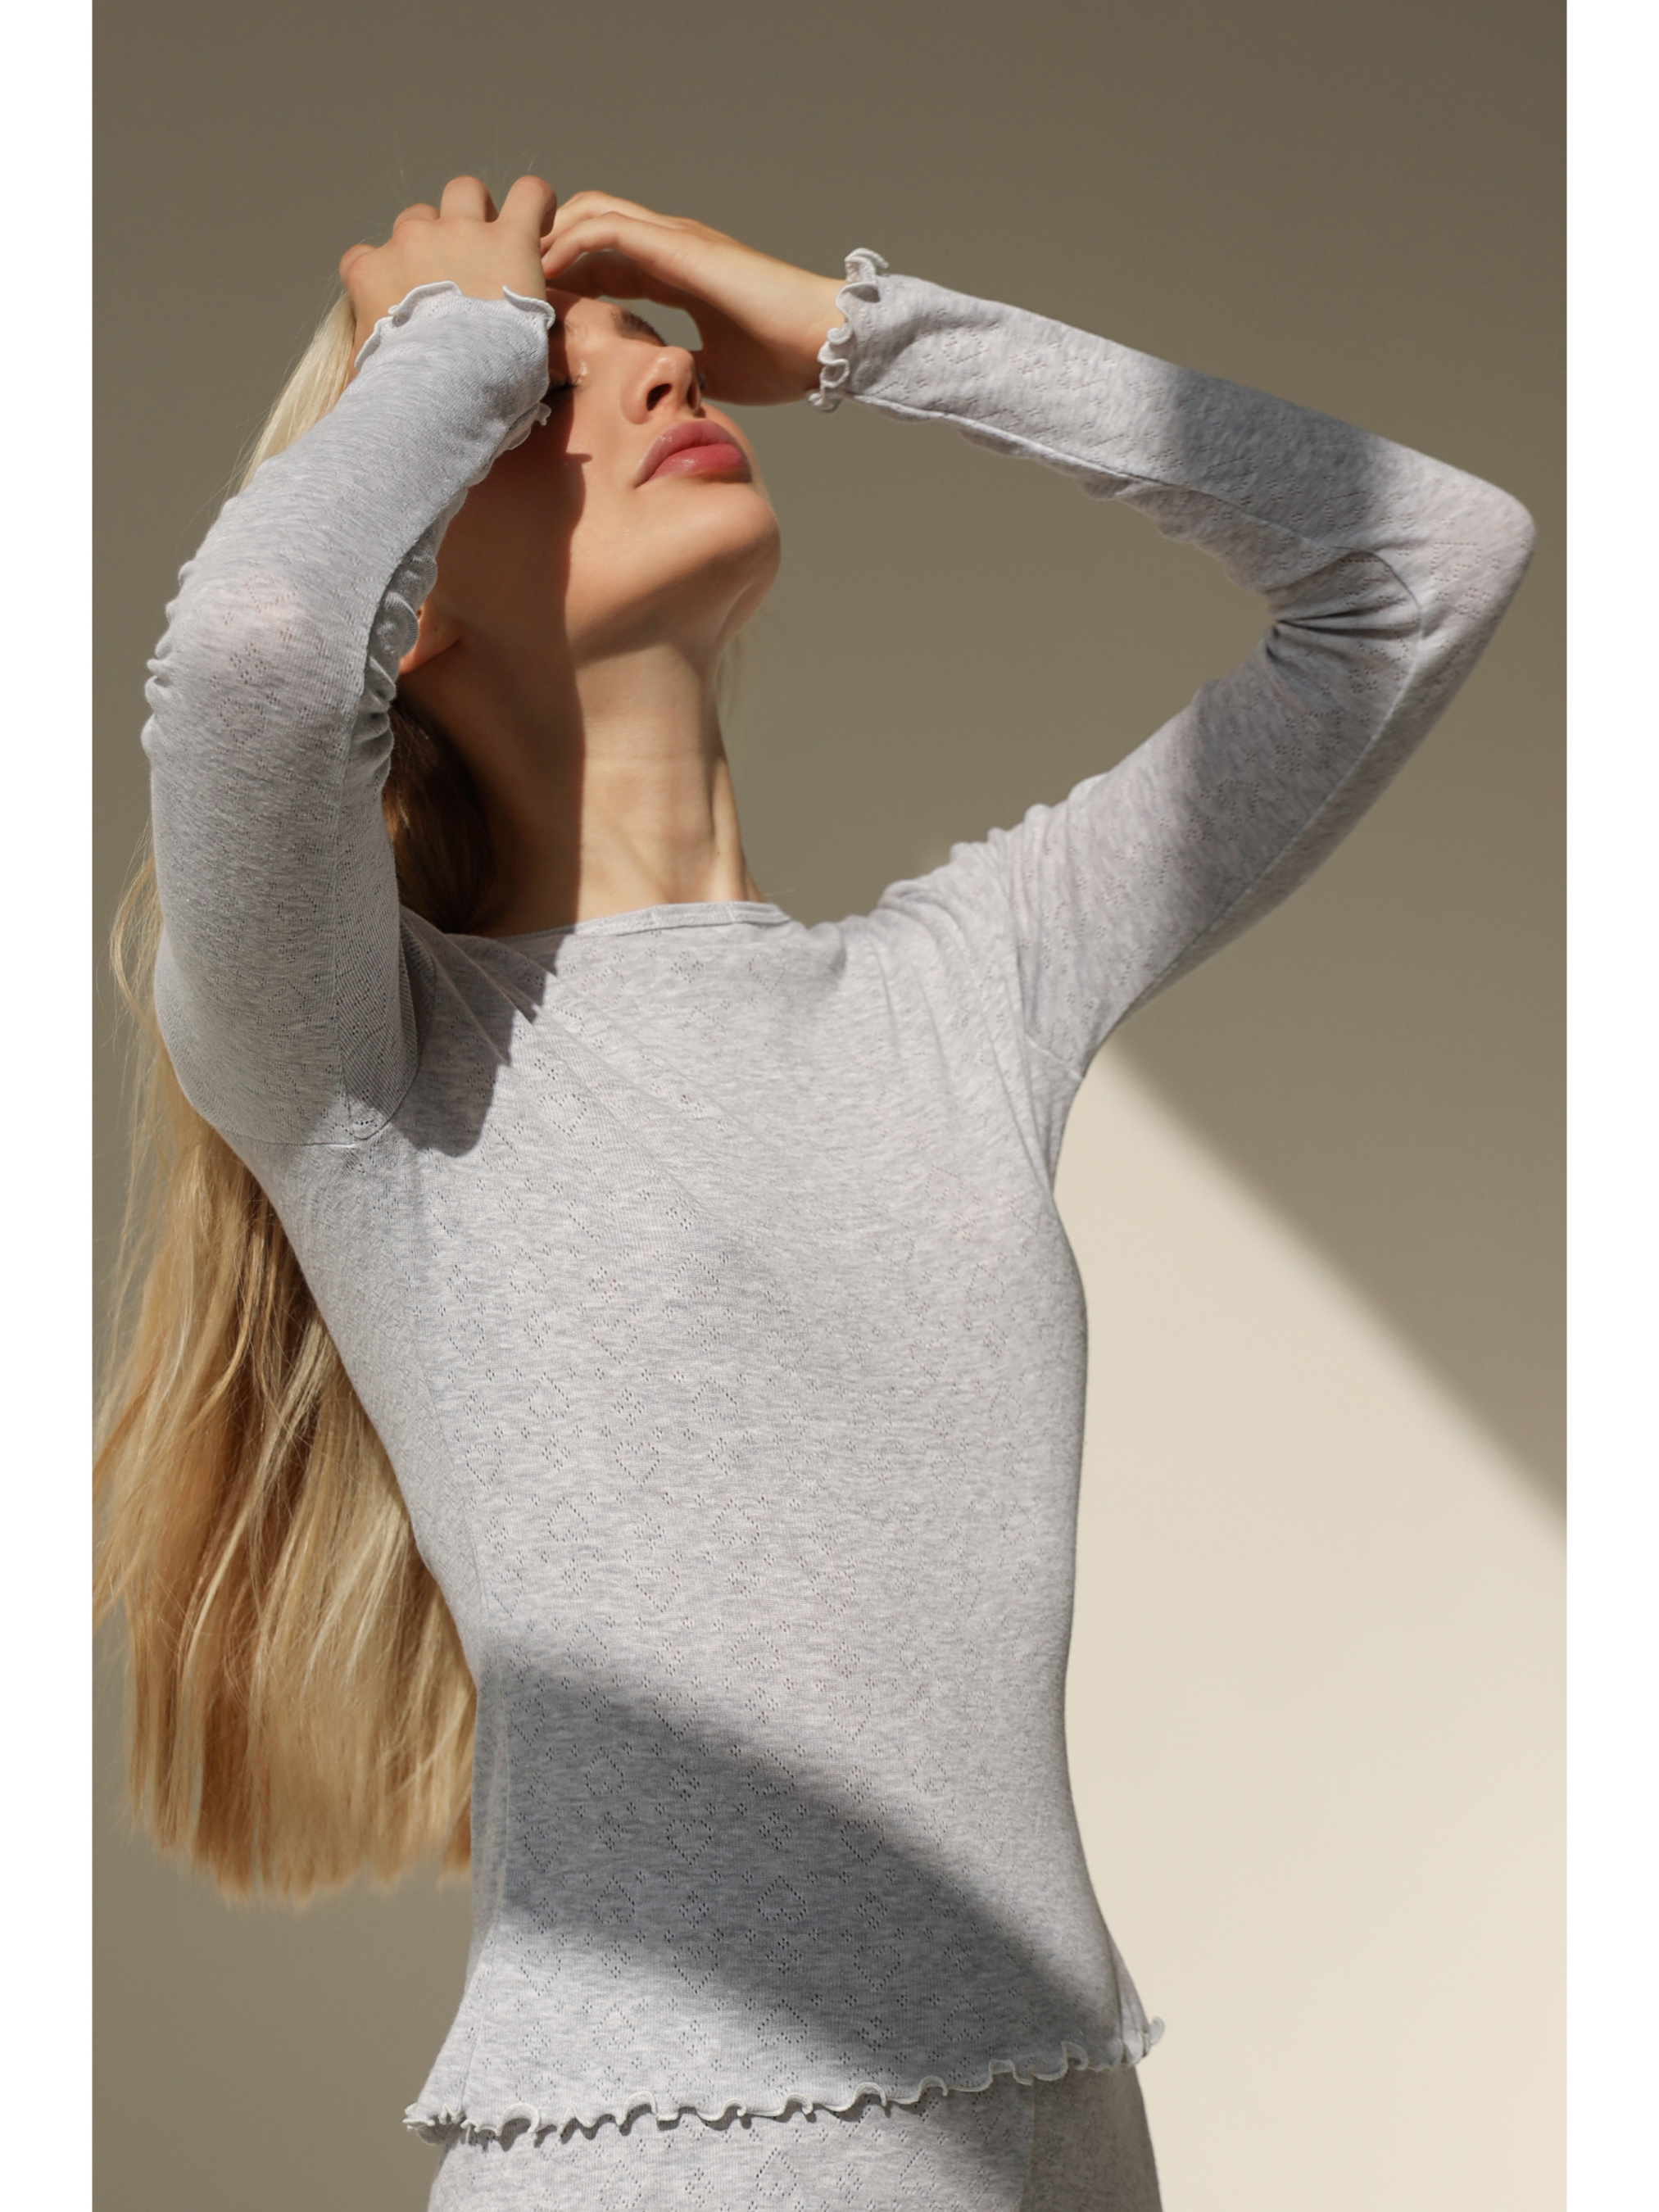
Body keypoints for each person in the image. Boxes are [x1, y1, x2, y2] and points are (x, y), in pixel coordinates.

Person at [95, 172, 1534, 2210]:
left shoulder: (967, 988)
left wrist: (868, 335)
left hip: (1062, 2130)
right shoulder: (364, 1064)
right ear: (404, 597)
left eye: (654, 346)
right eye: (546, 400)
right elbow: (253, 657)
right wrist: (449, 345)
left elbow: (1423, 564)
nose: (663, 373)